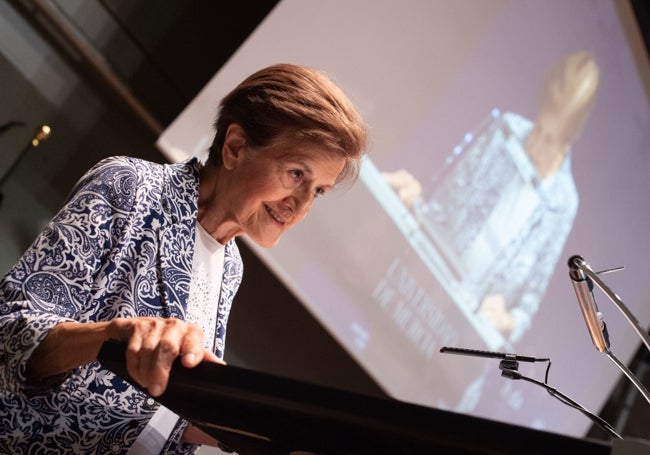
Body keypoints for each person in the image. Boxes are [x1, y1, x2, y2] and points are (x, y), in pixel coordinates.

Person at [0, 63, 367, 454]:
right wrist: (111, 336)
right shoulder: (130, 187)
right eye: (296, 174)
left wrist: (257, 431)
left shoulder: (230, 268)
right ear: (235, 147)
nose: (301, 206)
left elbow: (147, 406)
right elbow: (9, 333)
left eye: (319, 191)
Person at [382, 51, 599, 344]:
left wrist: (508, 321)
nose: (536, 144)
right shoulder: (505, 132)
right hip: (418, 295)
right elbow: (441, 210)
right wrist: (415, 205)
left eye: (550, 139)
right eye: (539, 128)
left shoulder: (564, 202)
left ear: (569, 139)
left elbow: (530, 298)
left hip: (463, 341)